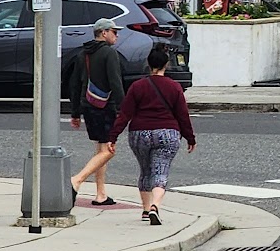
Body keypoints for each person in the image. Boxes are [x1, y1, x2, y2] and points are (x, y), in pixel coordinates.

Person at [106, 45, 195, 226]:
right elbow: (182, 115)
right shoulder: (174, 87)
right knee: (160, 172)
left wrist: (113, 136)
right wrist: (190, 137)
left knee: (145, 171)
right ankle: (155, 205)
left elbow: (125, 114)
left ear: (148, 63)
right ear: (166, 65)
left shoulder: (137, 86)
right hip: (167, 133)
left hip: (140, 133)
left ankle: (146, 210)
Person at [68, 18, 126, 206]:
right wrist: (124, 109)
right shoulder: (109, 53)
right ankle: (76, 180)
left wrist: (75, 112)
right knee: (109, 150)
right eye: (114, 32)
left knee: (101, 148)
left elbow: (74, 84)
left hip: (88, 105)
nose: (117, 35)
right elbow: (115, 82)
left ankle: (101, 194)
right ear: (104, 33)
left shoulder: (83, 53)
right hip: (105, 106)